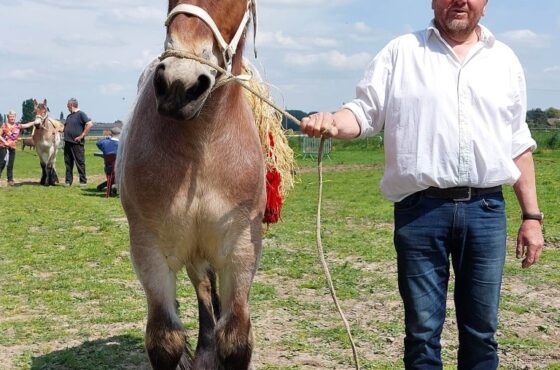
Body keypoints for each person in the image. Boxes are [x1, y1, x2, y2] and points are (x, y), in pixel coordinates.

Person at [300, 0, 545, 368]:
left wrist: (532, 216)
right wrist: (333, 121)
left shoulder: (505, 60)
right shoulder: (400, 53)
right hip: (420, 213)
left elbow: (517, 144)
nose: (459, 0)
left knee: (482, 332)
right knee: (422, 333)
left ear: (486, 4)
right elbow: (364, 112)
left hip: (486, 211)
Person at [0, 111, 35, 186]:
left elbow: (26, 125)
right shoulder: (4, 125)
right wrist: (5, 142)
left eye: (13, 116)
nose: (12, 118)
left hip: (12, 147)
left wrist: (35, 122)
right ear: (8, 117)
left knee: (10, 164)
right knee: (2, 163)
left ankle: (10, 180)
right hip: (3, 147)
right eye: (11, 116)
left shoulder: (17, 125)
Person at [63, 98, 93, 187]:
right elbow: (65, 128)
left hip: (77, 144)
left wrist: (82, 136)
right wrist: (57, 129)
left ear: (71, 105)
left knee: (80, 163)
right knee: (68, 163)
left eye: (68, 106)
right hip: (67, 143)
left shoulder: (81, 114)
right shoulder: (69, 116)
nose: (67, 108)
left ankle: (83, 182)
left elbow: (90, 124)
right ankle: (68, 181)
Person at [95, 126, 120, 191]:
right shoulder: (122, 144)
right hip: (120, 169)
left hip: (109, 168)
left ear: (111, 134)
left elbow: (98, 143)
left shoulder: (104, 143)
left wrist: (107, 138)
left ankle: (109, 186)